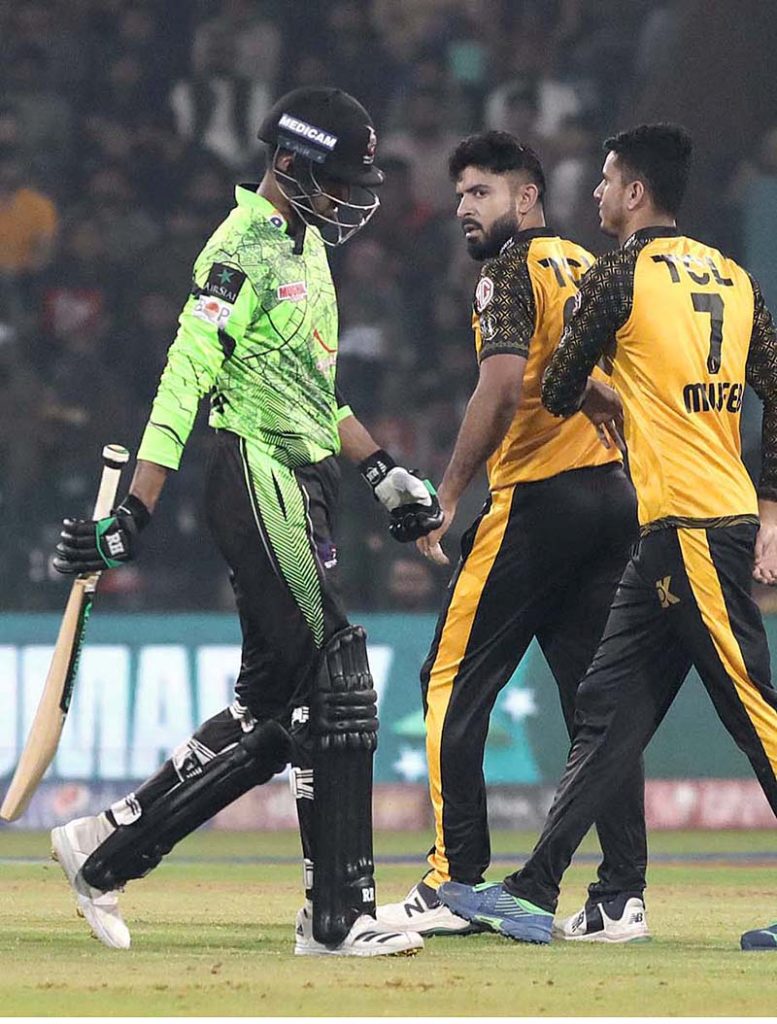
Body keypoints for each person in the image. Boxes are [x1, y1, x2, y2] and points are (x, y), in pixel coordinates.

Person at [48, 87, 444, 958]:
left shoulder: (306, 246)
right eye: (336, 180)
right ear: (291, 166)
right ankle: (336, 917)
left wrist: (382, 475)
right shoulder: (240, 246)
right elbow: (184, 374)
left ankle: (104, 847)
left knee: (276, 706)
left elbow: (315, 392)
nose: (349, 198)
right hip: (254, 475)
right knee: (337, 677)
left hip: (304, 483)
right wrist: (133, 513)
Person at [436, 123, 777, 951]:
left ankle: (544, 883)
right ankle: (533, 887)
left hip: (692, 527)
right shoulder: (732, 277)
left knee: (756, 715)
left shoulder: (619, 273)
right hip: (673, 524)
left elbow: (551, 390)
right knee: (606, 707)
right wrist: (770, 502)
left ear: (632, 193)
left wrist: (597, 375)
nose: (591, 194)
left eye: (604, 180)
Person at [377, 131, 648, 942]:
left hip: (537, 502)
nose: (463, 208)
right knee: (595, 707)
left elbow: (497, 389)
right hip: (610, 498)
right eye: (459, 193)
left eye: (480, 193)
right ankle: (618, 896)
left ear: (524, 197)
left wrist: (450, 493)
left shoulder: (508, 269)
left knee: (448, 681)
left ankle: (451, 882)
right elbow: (608, 375)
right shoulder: (585, 265)